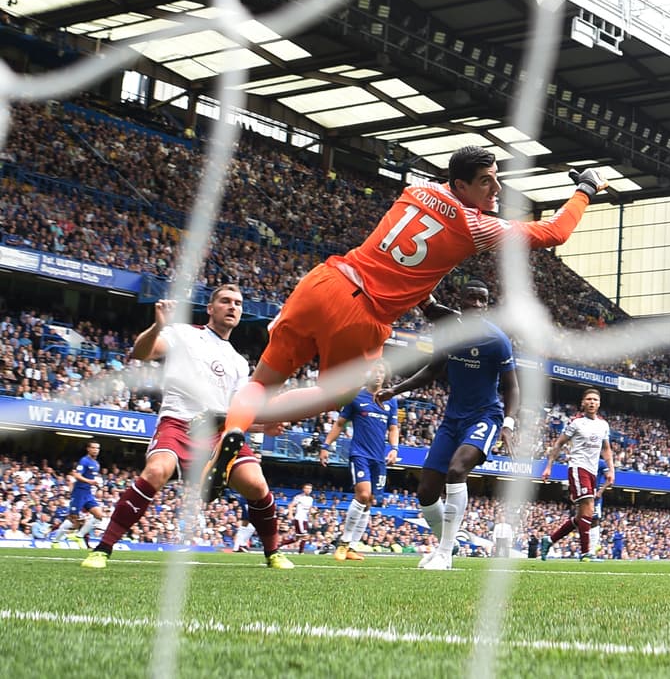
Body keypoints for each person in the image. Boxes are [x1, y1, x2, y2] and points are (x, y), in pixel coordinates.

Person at [202, 147, 612, 499]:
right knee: (331, 395)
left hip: (323, 281)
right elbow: (554, 232)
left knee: (258, 383)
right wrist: (585, 189)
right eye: (487, 181)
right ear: (463, 186)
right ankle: (253, 423)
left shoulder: (417, 189)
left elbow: (416, 261)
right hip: (362, 314)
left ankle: (235, 431)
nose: (497, 189)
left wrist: (427, 300)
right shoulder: (475, 226)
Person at [80, 286, 292, 570]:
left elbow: (239, 412)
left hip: (220, 431)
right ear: (210, 308)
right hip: (178, 423)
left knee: (256, 484)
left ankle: (273, 553)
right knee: (156, 471)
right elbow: (141, 353)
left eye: (238, 303)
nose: (232, 307)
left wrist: (264, 426)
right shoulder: (182, 333)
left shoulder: (240, 363)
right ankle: (102, 548)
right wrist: (158, 326)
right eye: (225, 301)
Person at [375, 279, 516, 571]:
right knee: (426, 492)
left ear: (487, 305)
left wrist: (509, 423)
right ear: (461, 301)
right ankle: (444, 547)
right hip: (452, 420)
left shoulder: (497, 340)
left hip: (485, 417)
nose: (477, 304)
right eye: (471, 298)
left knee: (456, 471)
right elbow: (432, 370)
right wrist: (395, 390)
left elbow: (512, 387)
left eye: (482, 300)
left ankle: (446, 553)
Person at [320, 361, 399, 561]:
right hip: (360, 454)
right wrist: (325, 446)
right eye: (375, 370)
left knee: (370, 501)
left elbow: (393, 428)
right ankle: (343, 543)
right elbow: (339, 423)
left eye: (382, 371)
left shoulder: (390, 400)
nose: (379, 374)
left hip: (379, 457)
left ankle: (352, 547)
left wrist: (394, 449)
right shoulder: (356, 395)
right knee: (363, 495)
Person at [541, 388, 615, 561]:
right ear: (583, 403)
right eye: (588, 399)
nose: (591, 402)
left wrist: (611, 469)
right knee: (589, 507)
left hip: (592, 471)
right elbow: (558, 444)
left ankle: (549, 540)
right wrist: (549, 466)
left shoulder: (603, 425)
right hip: (577, 468)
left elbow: (606, 448)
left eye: (595, 400)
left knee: (582, 516)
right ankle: (585, 553)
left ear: (599, 403)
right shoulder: (576, 423)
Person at [49, 440, 106, 549]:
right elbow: (77, 475)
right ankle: (55, 541)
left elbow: (90, 478)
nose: (95, 450)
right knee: (73, 519)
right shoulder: (84, 461)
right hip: (79, 493)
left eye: (97, 448)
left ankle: (79, 536)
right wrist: (90, 482)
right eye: (93, 448)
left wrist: (96, 485)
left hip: (88, 493)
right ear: (88, 449)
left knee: (99, 516)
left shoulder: (96, 464)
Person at [282, 483, 315, 553]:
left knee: (297, 538)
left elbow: (309, 509)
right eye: (306, 488)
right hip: (299, 518)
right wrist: (290, 514)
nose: (308, 490)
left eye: (310, 489)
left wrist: (312, 515)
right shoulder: (299, 497)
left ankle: (279, 544)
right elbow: (290, 505)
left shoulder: (311, 499)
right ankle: (301, 552)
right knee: (305, 536)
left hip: (305, 519)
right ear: (303, 489)